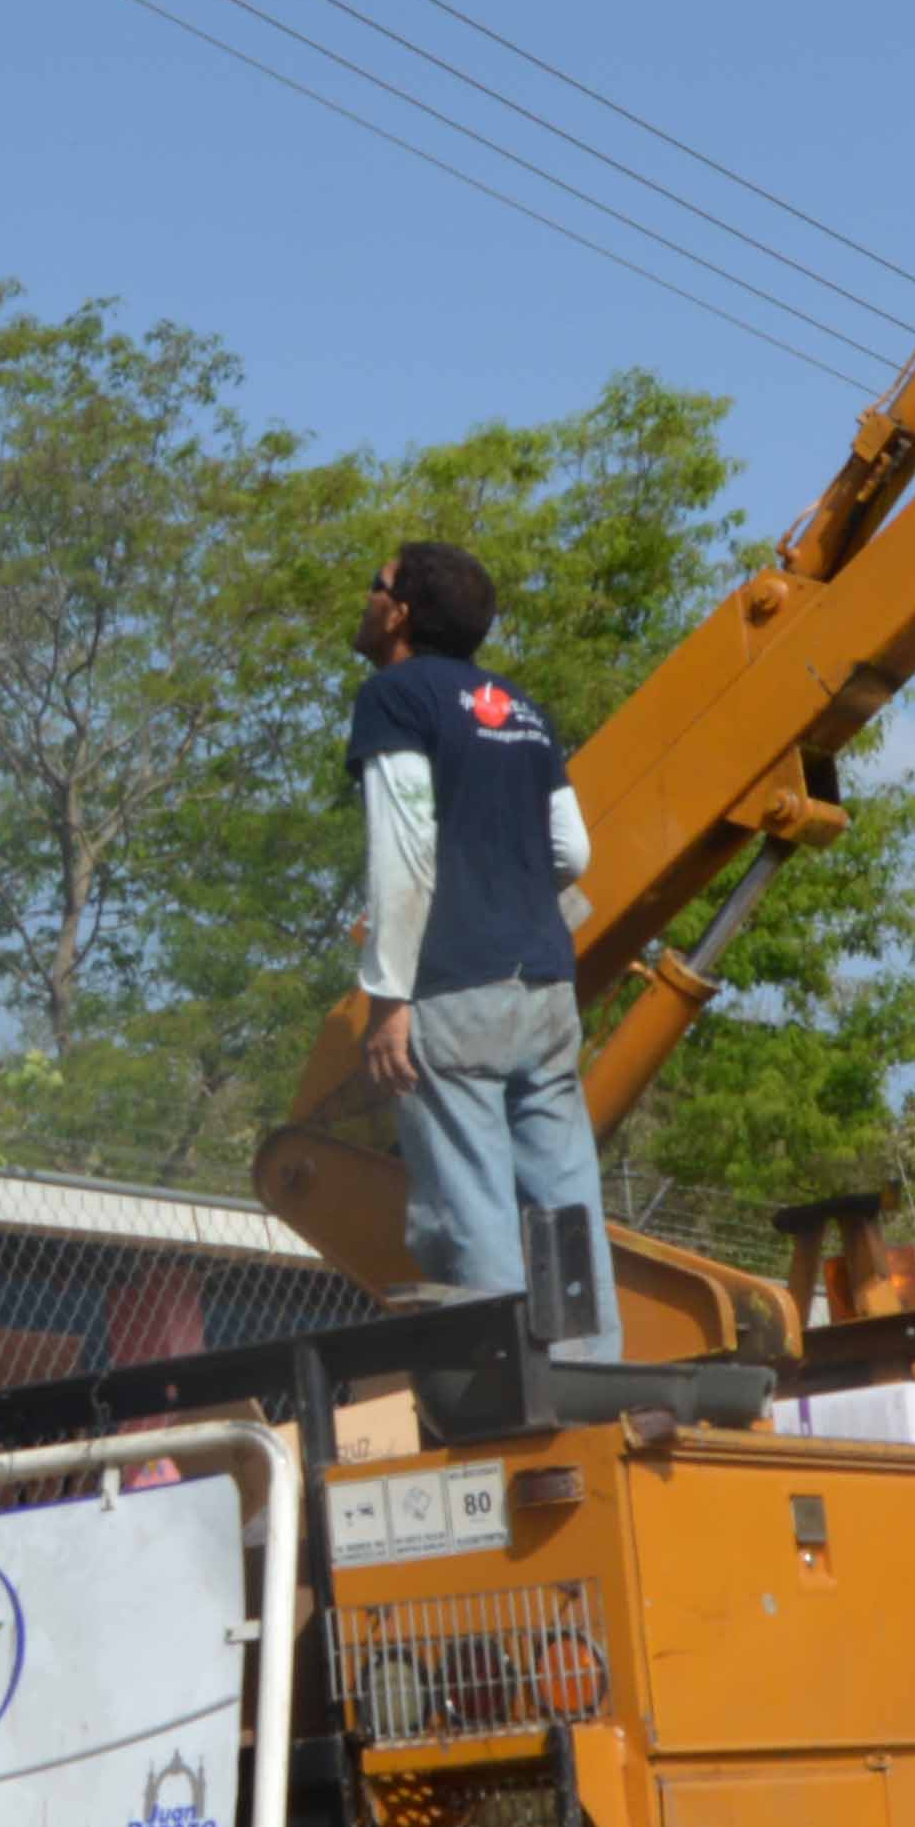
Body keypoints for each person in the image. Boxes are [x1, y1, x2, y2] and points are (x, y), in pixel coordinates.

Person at [347, 536, 615, 1359]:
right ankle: (590, 1381)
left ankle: (512, 1395)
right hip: (543, 987)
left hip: (451, 989)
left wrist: (388, 999)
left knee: (471, 1209)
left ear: (400, 612)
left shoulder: (393, 696)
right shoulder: (523, 708)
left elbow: (404, 852)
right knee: (563, 1201)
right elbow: (572, 853)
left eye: (376, 584)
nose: (367, 596)